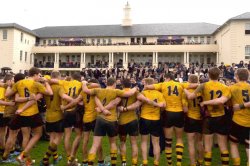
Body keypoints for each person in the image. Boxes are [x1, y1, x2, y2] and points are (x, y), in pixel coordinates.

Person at [82, 77, 137, 166]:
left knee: (95, 145)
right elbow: (129, 93)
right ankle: (113, 164)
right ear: (114, 84)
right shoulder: (116, 91)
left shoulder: (98, 90)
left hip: (100, 119)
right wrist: (135, 88)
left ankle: (90, 164)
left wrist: (84, 83)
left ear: (107, 83)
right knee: (113, 143)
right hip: (112, 120)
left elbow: (86, 90)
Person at [5, 67, 53, 165]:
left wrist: (9, 85)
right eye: (39, 75)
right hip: (32, 113)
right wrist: (47, 82)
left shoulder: (19, 83)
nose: (39, 77)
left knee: (19, 135)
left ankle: (17, 158)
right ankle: (23, 156)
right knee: (37, 134)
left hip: (20, 113)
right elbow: (50, 93)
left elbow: (8, 94)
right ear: (35, 74)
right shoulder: (36, 84)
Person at [185, 67, 231, 166]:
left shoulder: (203, 85)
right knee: (223, 146)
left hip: (208, 118)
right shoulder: (226, 87)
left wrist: (184, 89)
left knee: (208, 146)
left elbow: (190, 96)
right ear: (220, 75)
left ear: (208, 75)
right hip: (221, 116)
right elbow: (224, 101)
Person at [145, 73, 185, 166]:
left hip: (168, 113)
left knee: (168, 141)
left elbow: (148, 86)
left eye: (164, 78)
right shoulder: (180, 84)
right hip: (179, 112)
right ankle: (179, 163)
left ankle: (169, 163)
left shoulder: (163, 84)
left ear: (167, 78)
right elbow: (194, 85)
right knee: (179, 139)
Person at [40, 70, 74, 166]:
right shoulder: (59, 87)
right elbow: (64, 96)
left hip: (48, 115)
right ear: (58, 77)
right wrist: (75, 100)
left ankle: (55, 157)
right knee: (58, 138)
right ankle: (45, 159)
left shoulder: (45, 87)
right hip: (57, 115)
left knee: (52, 138)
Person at [182, 74, 204, 166]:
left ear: (189, 81)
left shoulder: (186, 91)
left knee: (191, 143)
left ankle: (192, 163)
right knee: (199, 142)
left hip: (191, 118)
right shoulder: (203, 90)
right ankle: (200, 162)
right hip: (201, 118)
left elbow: (185, 109)